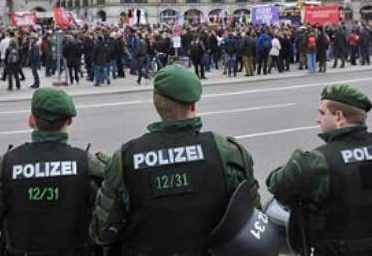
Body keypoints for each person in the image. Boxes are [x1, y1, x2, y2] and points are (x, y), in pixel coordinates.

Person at [90, 63, 261, 255]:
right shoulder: (228, 152)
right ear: (193, 105)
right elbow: (254, 222)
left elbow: (102, 233)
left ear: (157, 105)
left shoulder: (125, 158)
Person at [267, 84, 372, 256]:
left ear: (339, 116)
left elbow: (276, 184)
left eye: (322, 113)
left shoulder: (319, 162)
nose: (317, 119)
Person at [0, 87, 107, 255]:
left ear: (31, 120)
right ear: (69, 121)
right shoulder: (89, 167)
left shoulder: (4, 167)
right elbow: (105, 222)